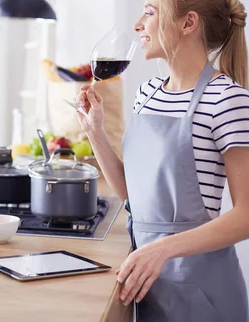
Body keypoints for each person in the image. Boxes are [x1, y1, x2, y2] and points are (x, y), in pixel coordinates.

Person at [76, 0, 249, 321]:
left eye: (151, 12)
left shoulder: (227, 99)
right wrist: (94, 131)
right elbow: (133, 194)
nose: (138, 24)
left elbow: (246, 216)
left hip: (201, 288)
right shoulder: (148, 93)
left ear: (188, 23)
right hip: (148, 281)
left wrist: (163, 248)